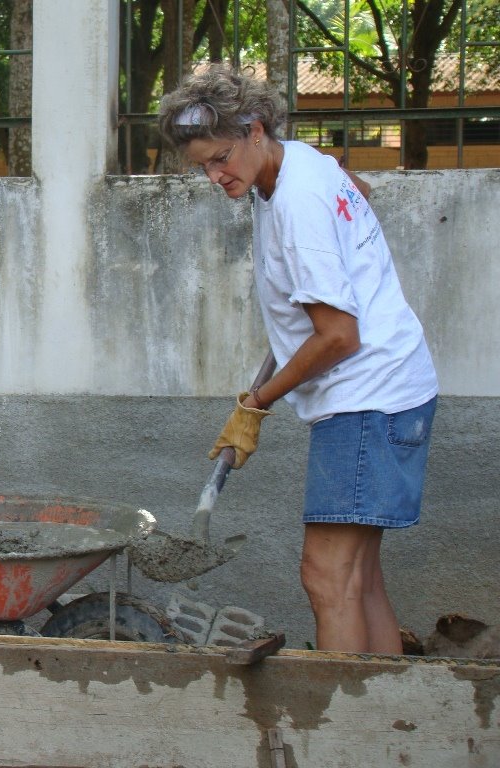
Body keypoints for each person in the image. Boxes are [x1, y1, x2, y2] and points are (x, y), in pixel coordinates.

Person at [157, 65, 438, 654]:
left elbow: (337, 337)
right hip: (395, 387)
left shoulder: (296, 205)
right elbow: (357, 195)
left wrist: (257, 405)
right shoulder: (302, 165)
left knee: (326, 576)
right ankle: (385, 722)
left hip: (368, 396)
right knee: (358, 578)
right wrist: (259, 390)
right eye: (203, 165)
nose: (214, 175)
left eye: (221, 158)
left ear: (256, 129)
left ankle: (337, 733)